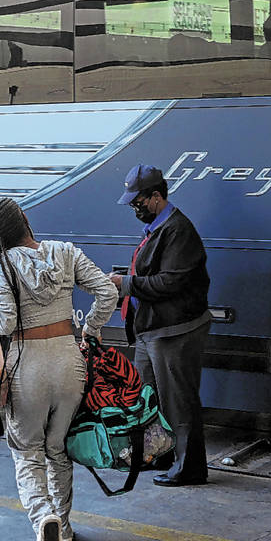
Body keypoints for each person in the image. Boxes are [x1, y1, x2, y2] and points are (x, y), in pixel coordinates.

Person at [0, 197, 117, 541]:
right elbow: (108, 291)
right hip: (69, 362)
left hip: (27, 365)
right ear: (24, 220)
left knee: (26, 451)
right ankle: (65, 528)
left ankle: (44, 519)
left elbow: (4, 323)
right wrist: (91, 329)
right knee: (58, 449)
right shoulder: (64, 252)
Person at [110, 164, 210, 487]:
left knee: (178, 401)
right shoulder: (156, 229)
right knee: (149, 396)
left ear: (156, 197)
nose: (134, 208)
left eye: (137, 202)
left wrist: (125, 284)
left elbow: (170, 283)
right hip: (150, 331)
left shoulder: (179, 231)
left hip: (174, 331)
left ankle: (190, 468)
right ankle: (163, 455)